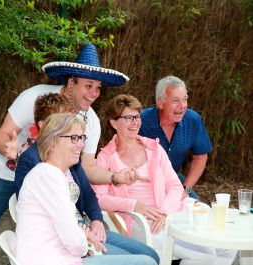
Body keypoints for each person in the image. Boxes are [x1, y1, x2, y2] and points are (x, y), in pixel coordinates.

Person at [0, 43, 135, 265]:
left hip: (49, 182)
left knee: (43, 230)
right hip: (6, 174)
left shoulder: (91, 123)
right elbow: (2, 134)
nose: (94, 93)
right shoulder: (34, 98)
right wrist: (8, 150)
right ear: (71, 83)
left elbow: (86, 168)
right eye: (89, 85)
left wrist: (114, 177)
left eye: (98, 88)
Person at [92, 94, 237, 265]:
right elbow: (99, 199)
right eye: (128, 118)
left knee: (227, 246)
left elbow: (175, 186)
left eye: (137, 117)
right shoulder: (106, 157)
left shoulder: (153, 147)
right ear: (113, 122)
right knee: (205, 254)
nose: (135, 122)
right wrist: (134, 205)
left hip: (170, 211)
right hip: (141, 221)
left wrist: (164, 212)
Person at [14, 92, 159, 263]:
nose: (81, 144)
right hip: (58, 252)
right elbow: (62, 231)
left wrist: (95, 222)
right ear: (50, 133)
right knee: (146, 262)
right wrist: (85, 240)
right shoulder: (45, 173)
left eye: (81, 137)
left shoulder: (63, 167)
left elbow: (88, 195)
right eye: (73, 137)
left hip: (75, 236)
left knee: (151, 256)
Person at [139, 76, 213, 199]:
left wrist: (186, 189)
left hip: (173, 179)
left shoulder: (192, 120)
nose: (182, 106)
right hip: (143, 182)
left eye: (185, 99)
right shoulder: (141, 120)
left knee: (197, 209)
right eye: (175, 100)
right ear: (160, 103)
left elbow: (201, 157)